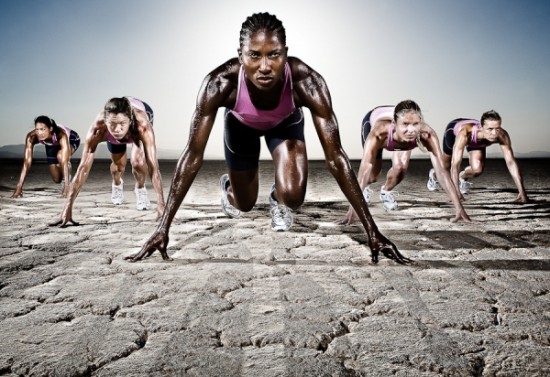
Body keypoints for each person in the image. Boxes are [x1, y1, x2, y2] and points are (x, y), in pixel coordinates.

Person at [126, 12, 410, 264]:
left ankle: (278, 198)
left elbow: (336, 158)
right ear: (241, 56)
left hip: (285, 126)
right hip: (240, 128)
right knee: (245, 204)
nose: (264, 66)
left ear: (285, 54)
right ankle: (230, 187)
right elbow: (192, 156)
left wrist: (373, 232)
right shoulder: (219, 84)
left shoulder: (307, 82)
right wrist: (163, 228)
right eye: (254, 55)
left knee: (294, 197)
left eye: (273, 54)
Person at [341, 100, 471, 225]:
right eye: (405, 124)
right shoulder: (379, 133)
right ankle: (364, 190)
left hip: (400, 126)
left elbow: (442, 172)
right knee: (372, 176)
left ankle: (385, 192)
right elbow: (365, 169)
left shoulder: (426, 134)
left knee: (401, 168)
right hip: (373, 121)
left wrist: (459, 208)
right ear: (395, 123)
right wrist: (354, 208)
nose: (411, 130)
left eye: (416, 124)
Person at [50, 96, 165, 226]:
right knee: (118, 166)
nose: (117, 130)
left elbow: (154, 168)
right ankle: (117, 184)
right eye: (112, 124)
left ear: (130, 120)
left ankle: (140, 188)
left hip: (136, 127)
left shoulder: (142, 125)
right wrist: (67, 207)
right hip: (118, 126)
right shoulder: (98, 129)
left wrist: (161, 204)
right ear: (105, 121)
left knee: (138, 163)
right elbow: (83, 169)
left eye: (122, 124)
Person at [427, 110, 529, 203]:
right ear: (482, 127)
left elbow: (511, 162)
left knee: (477, 169)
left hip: (476, 140)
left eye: (497, 128)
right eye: (490, 129)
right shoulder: (465, 134)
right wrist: (456, 194)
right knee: (445, 166)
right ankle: (433, 174)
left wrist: (522, 192)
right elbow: (455, 164)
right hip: (453, 132)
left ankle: (462, 177)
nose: (494, 133)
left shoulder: (502, 135)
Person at [11, 116, 80, 198]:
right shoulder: (31, 137)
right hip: (51, 144)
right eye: (37, 129)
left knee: (60, 156)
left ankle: (68, 183)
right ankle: (63, 178)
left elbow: (65, 161)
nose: (39, 133)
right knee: (57, 179)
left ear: (50, 129)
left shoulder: (61, 135)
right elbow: (27, 162)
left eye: (42, 129)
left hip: (71, 139)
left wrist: (66, 188)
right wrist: (19, 187)